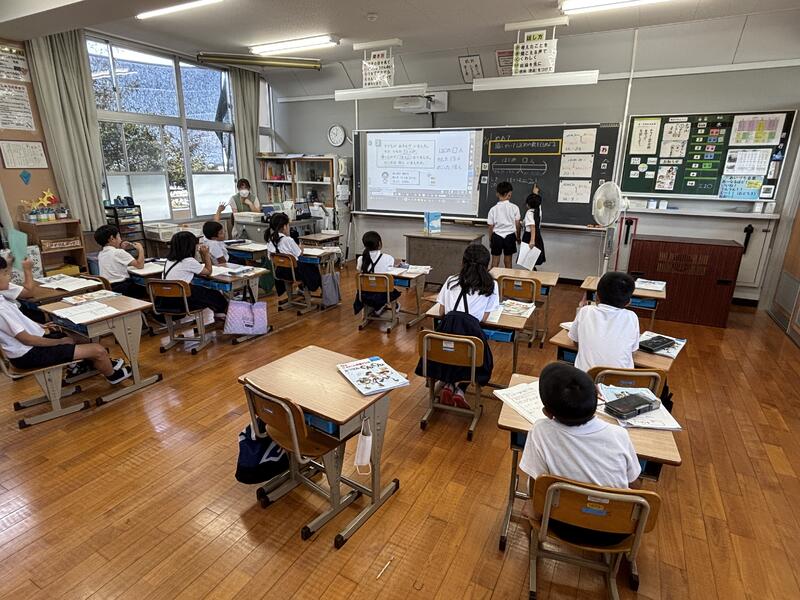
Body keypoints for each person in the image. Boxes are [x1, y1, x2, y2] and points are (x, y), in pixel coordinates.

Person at [519, 362, 641, 544]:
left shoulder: (540, 431)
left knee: (530, 500)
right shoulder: (619, 434)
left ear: (547, 413)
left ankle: (535, 548)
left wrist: (535, 510)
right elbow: (634, 483)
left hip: (559, 523)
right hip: (616, 529)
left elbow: (538, 484)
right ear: (598, 397)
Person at [0, 255, 131, 383]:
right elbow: (27, 340)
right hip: (28, 354)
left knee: (81, 338)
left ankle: (94, 365)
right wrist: (60, 342)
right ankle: (113, 376)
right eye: (5, 273)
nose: (9, 276)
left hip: (30, 346)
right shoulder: (1, 308)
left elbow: (18, 321)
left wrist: (38, 325)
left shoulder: (2, 297)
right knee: (99, 350)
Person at [415, 244, 498, 409]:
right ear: (487, 264)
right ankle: (459, 390)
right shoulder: (491, 285)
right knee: (474, 358)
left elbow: (441, 311)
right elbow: (484, 318)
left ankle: (448, 385)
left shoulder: (451, 280)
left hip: (445, 339)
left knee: (449, 351)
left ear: (463, 262)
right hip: (471, 339)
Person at [569, 271, 639, 372]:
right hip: (621, 379)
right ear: (628, 302)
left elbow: (575, 341)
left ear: (596, 296)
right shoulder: (632, 317)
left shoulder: (585, 311)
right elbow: (633, 352)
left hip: (585, 378)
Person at [161, 231, 228, 317]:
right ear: (190, 246)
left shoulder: (169, 260)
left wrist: (202, 255)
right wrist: (206, 254)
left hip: (168, 299)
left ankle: (218, 313)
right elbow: (208, 271)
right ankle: (230, 316)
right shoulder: (188, 261)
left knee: (206, 293)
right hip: (182, 301)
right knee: (215, 295)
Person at [265, 212, 319, 306]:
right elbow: (299, 254)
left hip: (280, 272)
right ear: (284, 226)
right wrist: (301, 248)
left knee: (300, 269)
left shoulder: (270, 241)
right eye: (288, 225)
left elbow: (270, 257)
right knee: (313, 268)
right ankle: (309, 292)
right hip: (294, 273)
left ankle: (292, 298)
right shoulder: (288, 240)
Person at [353, 231, 400, 315]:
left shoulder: (360, 259)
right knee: (392, 290)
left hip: (364, 294)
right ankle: (384, 305)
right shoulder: (388, 258)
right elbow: (390, 271)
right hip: (383, 294)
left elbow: (359, 270)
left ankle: (378, 307)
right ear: (379, 243)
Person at [94, 225, 145, 296]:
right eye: (118, 236)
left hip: (110, 287)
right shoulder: (118, 252)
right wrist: (141, 249)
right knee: (149, 288)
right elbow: (140, 265)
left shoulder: (101, 254)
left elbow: (116, 261)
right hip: (124, 287)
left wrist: (121, 249)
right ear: (112, 238)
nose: (120, 239)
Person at [487, 181, 520, 269]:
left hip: (497, 236)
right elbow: (517, 224)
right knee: (508, 261)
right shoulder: (515, 207)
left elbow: (490, 226)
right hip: (510, 236)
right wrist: (518, 237)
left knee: (495, 261)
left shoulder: (493, 209)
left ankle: (493, 278)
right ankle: (508, 278)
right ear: (509, 194)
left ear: (497, 194)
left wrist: (490, 238)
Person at [522, 183, 546, 269]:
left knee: (527, 261)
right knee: (532, 260)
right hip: (537, 237)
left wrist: (532, 241)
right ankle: (532, 274)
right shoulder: (538, 211)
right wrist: (535, 193)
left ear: (528, 204)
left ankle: (531, 275)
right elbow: (538, 204)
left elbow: (532, 226)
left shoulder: (529, 213)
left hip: (530, 237)